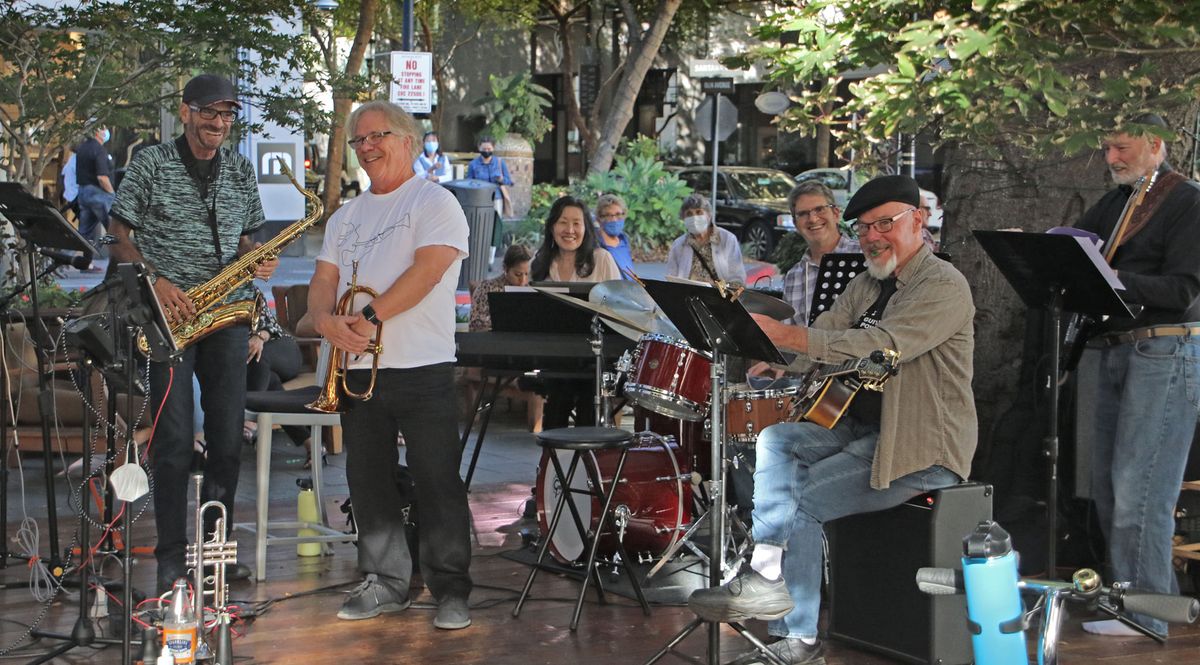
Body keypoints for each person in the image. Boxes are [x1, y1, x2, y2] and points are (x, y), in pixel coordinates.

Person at [687, 175, 977, 665]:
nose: (872, 237)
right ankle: (764, 574)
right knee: (776, 439)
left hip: (920, 448)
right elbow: (822, 335)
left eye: (885, 224)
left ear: (919, 220)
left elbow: (880, 346)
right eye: (863, 228)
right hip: (862, 428)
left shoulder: (944, 285)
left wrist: (790, 338)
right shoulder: (867, 282)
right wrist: (764, 348)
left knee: (801, 504)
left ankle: (795, 639)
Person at [106, 73, 275, 593]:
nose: (219, 124)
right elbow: (118, 234)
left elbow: (248, 238)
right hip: (168, 317)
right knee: (175, 441)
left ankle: (216, 554)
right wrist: (157, 282)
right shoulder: (152, 163)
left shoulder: (242, 170)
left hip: (225, 316)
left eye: (227, 115)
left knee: (227, 439)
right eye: (209, 113)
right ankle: (171, 560)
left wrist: (256, 259)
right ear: (185, 112)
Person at [308, 99, 473, 629]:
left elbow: (428, 271)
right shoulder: (347, 215)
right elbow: (325, 280)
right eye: (359, 141)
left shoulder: (435, 201)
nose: (367, 148)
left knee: (437, 479)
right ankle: (385, 581)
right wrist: (323, 321)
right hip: (357, 368)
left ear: (406, 139)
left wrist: (369, 317)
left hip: (421, 365)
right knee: (368, 479)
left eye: (376, 136)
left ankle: (450, 590)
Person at [1073, 114, 1200, 638]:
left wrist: (1117, 277)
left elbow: (1185, 289)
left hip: (1165, 349)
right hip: (1115, 348)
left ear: (1156, 146)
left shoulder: (1187, 201)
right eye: (1107, 149)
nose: (1112, 159)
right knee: (1107, 487)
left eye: (1122, 148)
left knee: (1141, 490)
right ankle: (1126, 601)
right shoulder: (1118, 203)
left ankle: (1147, 613)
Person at [530, 196, 621, 428]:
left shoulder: (602, 259)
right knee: (555, 414)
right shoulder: (539, 263)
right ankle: (552, 463)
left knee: (589, 416)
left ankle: (587, 462)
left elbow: (620, 310)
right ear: (552, 227)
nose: (569, 230)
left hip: (596, 360)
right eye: (563, 222)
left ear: (586, 228)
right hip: (556, 359)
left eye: (576, 223)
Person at [781, 181, 861, 326]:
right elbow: (789, 336)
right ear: (795, 224)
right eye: (803, 214)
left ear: (836, 214)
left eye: (819, 209)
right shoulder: (793, 277)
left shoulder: (863, 255)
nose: (812, 219)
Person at [243, 290, 309, 453]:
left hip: (282, 349)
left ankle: (250, 421)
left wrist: (259, 337)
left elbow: (271, 326)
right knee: (271, 381)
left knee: (258, 356)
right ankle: (311, 443)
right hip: (257, 366)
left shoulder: (250, 291)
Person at [665, 193, 747, 287]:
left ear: (708, 215)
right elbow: (671, 279)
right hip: (688, 297)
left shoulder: (727, 239)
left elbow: (738, 279)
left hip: (719, 298)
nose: (694, 217)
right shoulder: (678, 245)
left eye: (699, 212)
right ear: (683, 218)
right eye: (689, 214)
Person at [75, 124, 115, 269]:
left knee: (85, 232)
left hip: (83, 192)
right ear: (98, 132)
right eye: (103, 128)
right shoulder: (99, 150)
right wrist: (112, 194)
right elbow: (102, 177)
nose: (106, 131)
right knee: (113, 230)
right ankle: (116, 265)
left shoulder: (82, 148)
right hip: (98, 193)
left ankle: (86, 263)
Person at [469, 243, 532, 332]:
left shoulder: (531, 291)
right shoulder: (486, 288)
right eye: (518, 274)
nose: (523, 281)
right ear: (505, 268)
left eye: (527, 274)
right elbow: (475, 325)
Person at [465, 137, 513, 217]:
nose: (486, 151)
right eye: (484, 149)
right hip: (479, 198)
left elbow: (509, 181)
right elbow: (468, 182)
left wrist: (501, 179)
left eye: (489, 148)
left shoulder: (500, 162)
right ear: (479, 148)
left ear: (493, 148)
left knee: (496, 221)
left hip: (496, 197)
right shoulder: (473, 164)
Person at [594, 193, 636, 280]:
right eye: (609, 215)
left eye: (618, 214)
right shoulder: (595, 244)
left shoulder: (624, 240)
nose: (614, 219)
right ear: (599, 218)